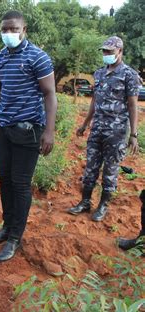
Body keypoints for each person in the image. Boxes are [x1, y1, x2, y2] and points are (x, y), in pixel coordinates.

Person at [0, 10, 57, 262]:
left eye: (14, 29)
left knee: (20, 184)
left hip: (29, 130)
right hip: (5, 129)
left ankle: (15, 238)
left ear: (24, 30)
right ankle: (7, 227)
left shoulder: (38, 57)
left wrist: (49, 131)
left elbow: (49, 94)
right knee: (6, 180)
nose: (9, 34)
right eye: (5, 30)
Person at [68, 36, 141, 222]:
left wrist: (133, 134)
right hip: (97, 129)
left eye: (110, 51)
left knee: (110, 170)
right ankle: (85, 202)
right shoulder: (99, 74)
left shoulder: (129, 75)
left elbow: (133, 106)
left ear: (120, 52)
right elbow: (94, 101)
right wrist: (85, 124)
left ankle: (103, 206)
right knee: (90, 168)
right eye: (104, 51)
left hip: (116, 133)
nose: (106, 54)